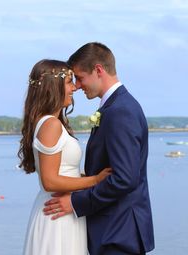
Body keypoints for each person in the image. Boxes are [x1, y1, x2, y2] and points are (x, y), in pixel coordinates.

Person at [43, 43, 155, 255]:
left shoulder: (120, 111)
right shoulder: (116, 107)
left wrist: (75, 202)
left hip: (119, 232)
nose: (77, 85)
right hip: (115, 229)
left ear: (98, 70)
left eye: (80, 77)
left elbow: (125, 178)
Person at [18, 59, 111, 255]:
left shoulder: (50, 122)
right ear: (54, 86)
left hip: (63, 210)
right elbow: (49, 181)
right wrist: (94, 180)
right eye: (69, 82)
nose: (75, 88)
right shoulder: (50, 124)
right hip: (57, 213)